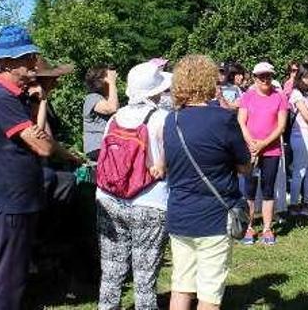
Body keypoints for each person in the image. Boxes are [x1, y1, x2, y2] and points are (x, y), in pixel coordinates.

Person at [0, 25, 83, 309]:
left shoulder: (16, 97)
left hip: (19, 196)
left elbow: (42, 138)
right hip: (9, 198)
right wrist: (54, 147)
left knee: (16, 270)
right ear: (9, 63)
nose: (34, 63)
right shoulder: (0, 98)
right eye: (27, 58)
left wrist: (39, 102)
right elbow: (42, 146)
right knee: (9, 275)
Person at [164, 55, 251, 310]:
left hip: (180, 213)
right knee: (209, 294)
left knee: (181, 287)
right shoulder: (223, 119)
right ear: (211, 81)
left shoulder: (172, 120)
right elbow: (245, 166)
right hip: (214, 215)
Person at [95, 61, 171, 310]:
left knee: (111, 268)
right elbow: (171, 160)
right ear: (154, 92)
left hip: (108, 198)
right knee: (145, 273)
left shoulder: (115, 117)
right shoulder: (162, 118)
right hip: (149, 200)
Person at [237, 62, 288, 245]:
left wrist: (264, 144)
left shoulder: (280, 97)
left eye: (268, 76)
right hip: (250, 151)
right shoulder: (247, 97)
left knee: (268, 189)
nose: (265, 79)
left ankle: (267, 228)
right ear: (254, 78)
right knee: (249, 190)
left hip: (272, 150)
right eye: (261, 76)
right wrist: (251, 143)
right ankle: (249, 227)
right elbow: (241, 121)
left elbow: (281, 126)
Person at [288, 63, 308, 215]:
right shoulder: (296, 93)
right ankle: (294, 204)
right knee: (299, 171)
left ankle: (307, 202)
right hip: (299, 136)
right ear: (301, 77)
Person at [83, 65, 120, 161]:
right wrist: (112, 82)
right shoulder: (92, 97)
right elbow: (112, 108)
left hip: (108, 145)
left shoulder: (104, 99)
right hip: (98, 147)